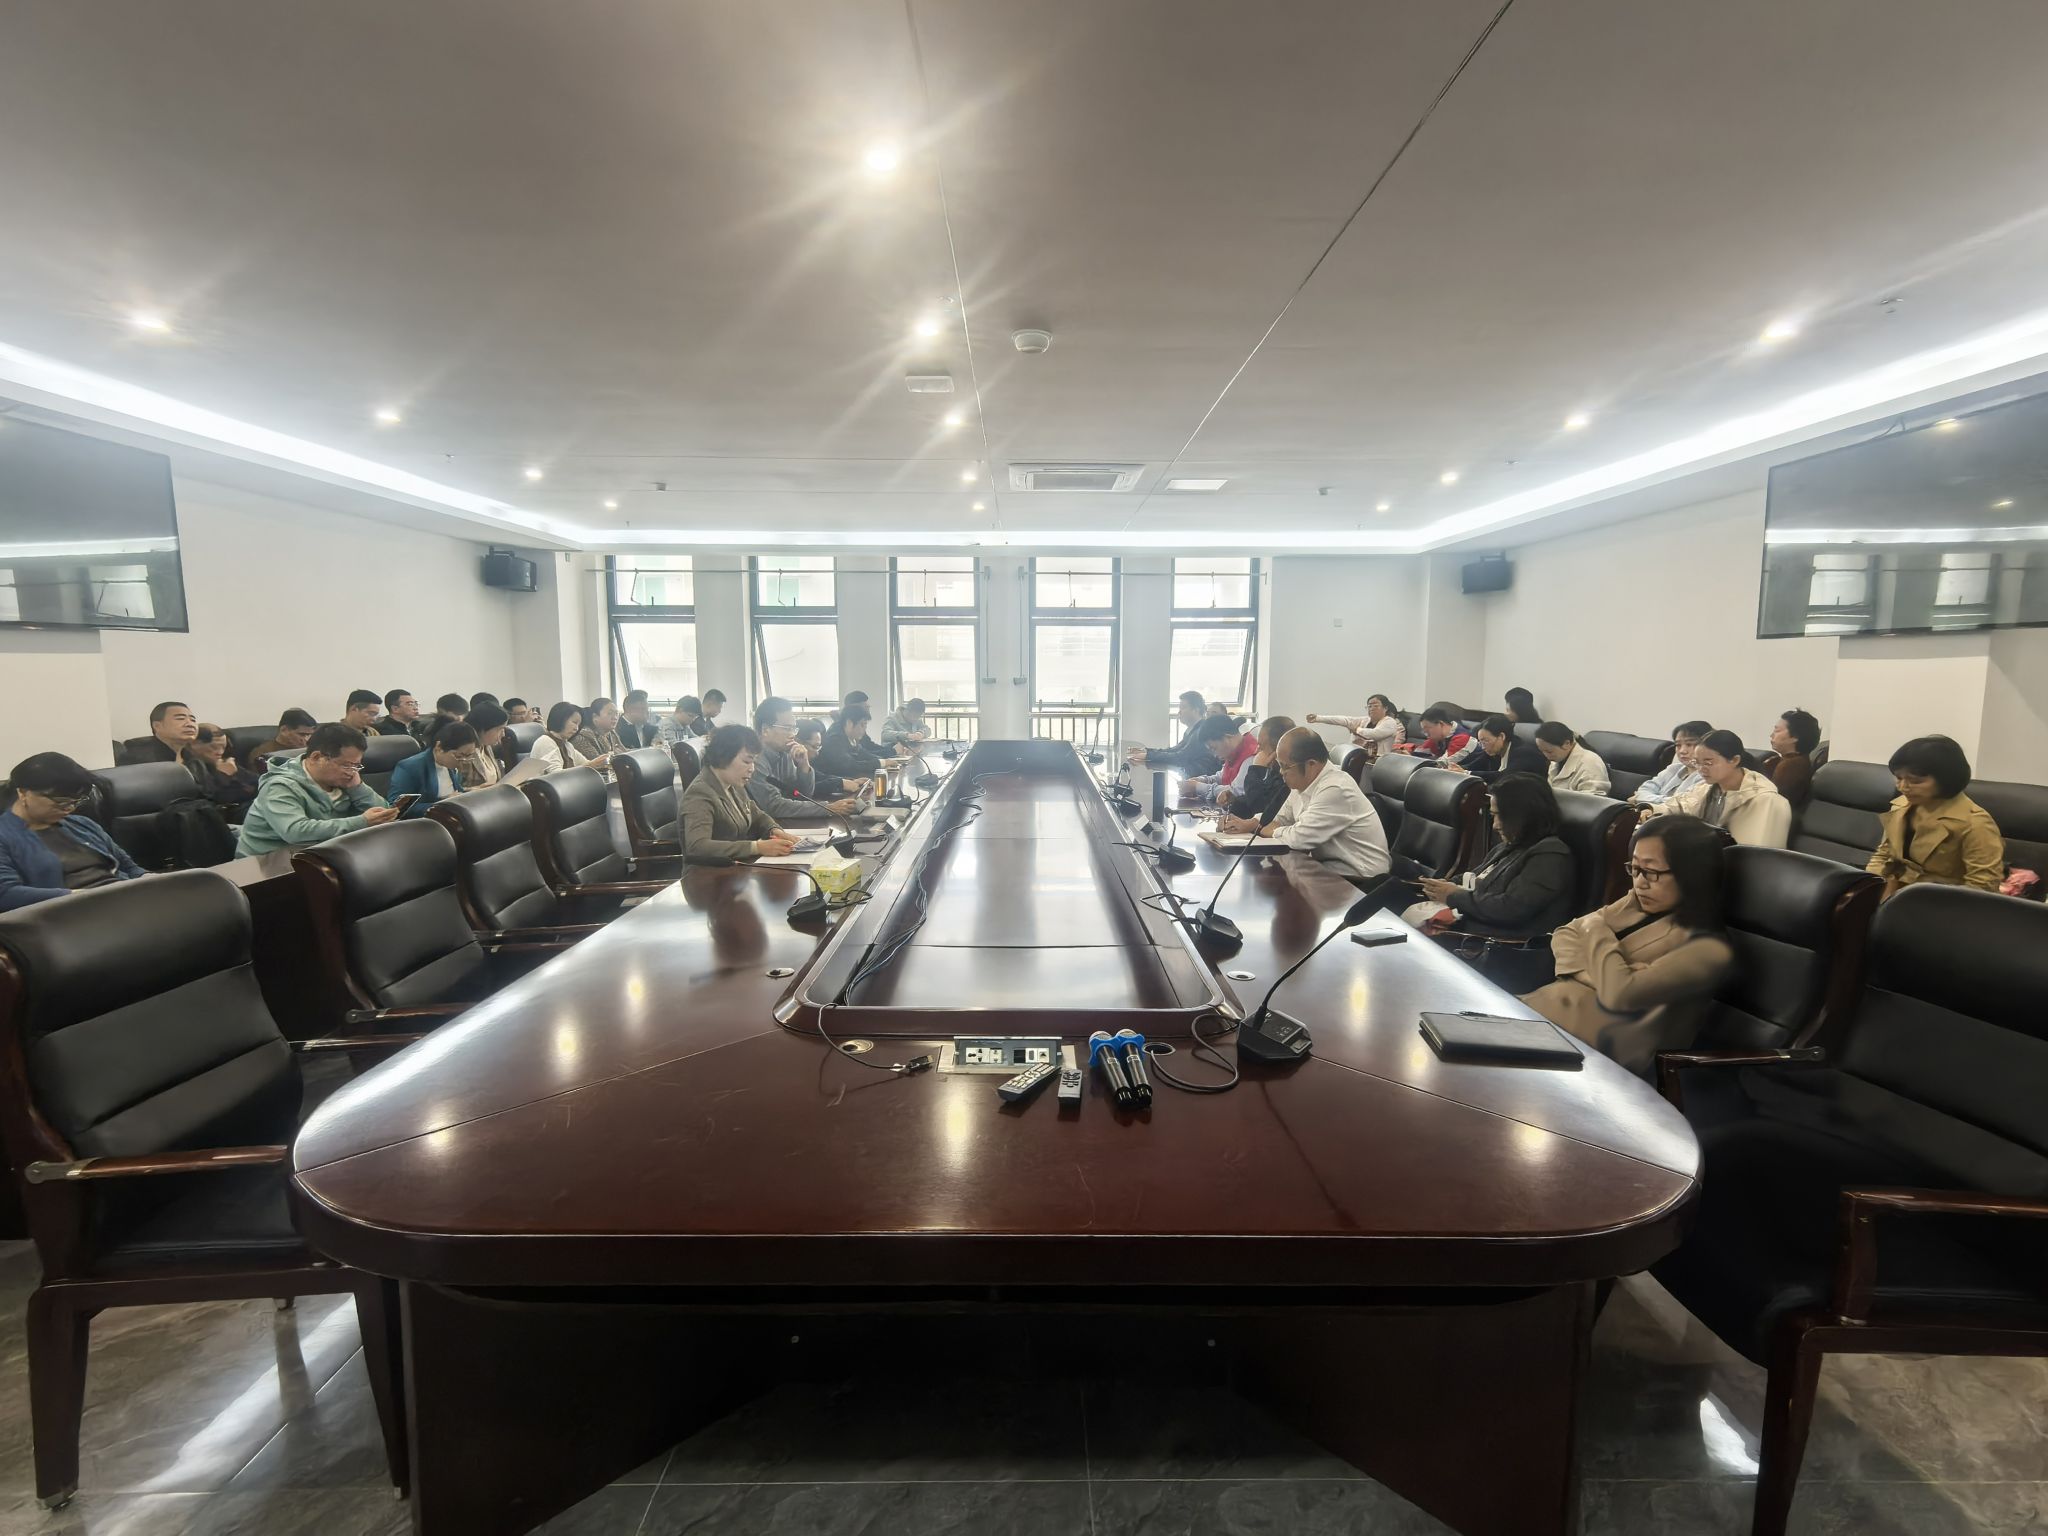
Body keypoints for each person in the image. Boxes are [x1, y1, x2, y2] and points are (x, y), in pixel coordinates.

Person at [1522, 815, 1735, 1075]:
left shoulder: (1709, 949)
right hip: (1547, 1019)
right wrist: (1598, 976)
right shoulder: (1636, 902)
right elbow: (1565, 933)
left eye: (1652, 872)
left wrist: (1594, 928)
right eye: (1634, 869)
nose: (1640, 882)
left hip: (1598, 1057)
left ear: (1693, 874)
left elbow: (1619, 995)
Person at [1405, 773, 1575, 937]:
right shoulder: (1509, 846)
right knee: (1396, 893)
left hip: (1492, 942)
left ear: (1521, 815)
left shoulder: (1550, 855)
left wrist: (1453, 896)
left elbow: (1511, 909)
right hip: (1467, 926)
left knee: (1397, 908)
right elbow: (1475, 878)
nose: (1495, 825)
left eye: (1498, 816)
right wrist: (1443, 886)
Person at [1229, 726, 1389, 883]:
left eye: (1285, 766)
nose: (1281, 772)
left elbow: (1298, 839)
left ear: (1311, 764)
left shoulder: (1335, 788)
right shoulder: (1303, 783)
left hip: (1360, 879)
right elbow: (1281, 818)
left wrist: (1271, 830)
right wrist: (1250, 823)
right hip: (1328, 871)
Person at [1, 753, 146, 908]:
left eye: (76, 801)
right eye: (61, 801)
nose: (70, 808)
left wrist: (150, 880)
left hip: (122, 900)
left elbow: (129, 867)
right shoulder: (5, 835)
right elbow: (6, 894)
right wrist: (81, 896)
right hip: (70, 912)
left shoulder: (82, 824)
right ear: (23, 793)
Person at [1867, 735, 2003, 898]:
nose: (1902, 787)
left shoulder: (1975, 823)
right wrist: (1866, 887)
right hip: (1893, 893)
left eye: (1915, 781)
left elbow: (1982, 887)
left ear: (1946, 779)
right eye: (1899, 778)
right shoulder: (1901, 806)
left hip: (1940, 902)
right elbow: (1884, 854)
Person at [234, 724, 398, 856]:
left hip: (322, 855)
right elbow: (295, 832)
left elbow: (384, 813)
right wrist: (362, 822)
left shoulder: (345, 780)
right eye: (346, 765)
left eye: (356, 765)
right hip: (267, 865)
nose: (351, 772)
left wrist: (358, 788)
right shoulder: (279, 786)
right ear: (316, 757)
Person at [681, 725, 799, 864]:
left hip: (737, 867)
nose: (752, 769)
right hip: (709, 873)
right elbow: (697, 847)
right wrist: (756, 847)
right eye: (747, 761)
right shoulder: (700, 793)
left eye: (753, 762)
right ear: (723, 756)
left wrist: (773, 830)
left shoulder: (733, 783)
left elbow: (756, 815)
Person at [1659, 729, 1790, 847]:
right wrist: (1650, 810)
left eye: (1708, 762)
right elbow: (1678, 806)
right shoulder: (1707, 788)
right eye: (1697, 763)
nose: (1701, 769)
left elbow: (1757, 854)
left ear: (1734, 760)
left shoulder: (1767, 801)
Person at [751, 697, 861, 821]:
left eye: (794, 729)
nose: (792, 735)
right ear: (765, 730)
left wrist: (804, 766)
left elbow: (802, 795)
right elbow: (774, 806)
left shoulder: (784, 754)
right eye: (787, 728)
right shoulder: (753, 759)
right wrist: (827, 808)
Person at [388, 720, 486, 816]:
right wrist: (442, 805)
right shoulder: (411, 767)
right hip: (427, 822)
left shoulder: (451, 766)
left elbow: (455, 793)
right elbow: (397, 809)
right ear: (439, 747)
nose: (463, 761)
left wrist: (472, 792)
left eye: (469, 756)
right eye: (459, 756)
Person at [186, 723, 261, 821]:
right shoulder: (191, 768)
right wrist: (229, 776)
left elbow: (259, 782)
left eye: (223, 747)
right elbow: (217, 798)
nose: (220, 752)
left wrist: (236, 774)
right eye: (213, 747)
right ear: (193, 745)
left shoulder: (224, 762)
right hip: (224, 816)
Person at [1437, 714, 1544, 782]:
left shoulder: (1524, 752)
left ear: (1501, 736)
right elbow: (1474, 766)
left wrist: (1466, 773)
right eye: (1480, 742)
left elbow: (1505, 777)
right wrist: (1454, 769)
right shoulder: (1493, 750)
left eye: (1485, 741)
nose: (1483, 747)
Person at [1179, 716, 1257, 807]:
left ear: (1227, 737)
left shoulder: (1251, 755)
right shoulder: (1235, 750)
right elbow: (1222, 776)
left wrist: (1197, 787)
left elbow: (1235, 792)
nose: (1214, 755)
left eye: (1214, 748)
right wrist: (1203, 780)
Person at [1630, 721, 1712, 807]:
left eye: (1689, 744)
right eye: (1678, 745)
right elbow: (1643, 790)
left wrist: (1643, 799)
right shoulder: (1673, 768)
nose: (1682, 751)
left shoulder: (1707, 776)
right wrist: (1646, 799)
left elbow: (1683, 804)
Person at [1126, 691, 1208, 772]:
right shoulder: (1192, 730)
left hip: (1199, 777)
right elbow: (1173, 750)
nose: (1179, 712)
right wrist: (1147, 751)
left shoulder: (1201, 732)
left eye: (1183, 707)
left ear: (1196, 710)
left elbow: (1180, 758)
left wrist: (1148, 756)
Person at [816, 702, 895, 783]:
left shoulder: (850, 736)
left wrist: (885, 761)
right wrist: (881, 763)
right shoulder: (834, 739)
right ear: (849, 723)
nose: (864, 729)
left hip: (846, 780)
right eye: (862, 724)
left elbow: (864, 754)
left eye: (865, 725)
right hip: (832, 784)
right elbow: (851, 766)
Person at [1306, 695, 1405, 759]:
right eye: (1369, 706)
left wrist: (1357, 730)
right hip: (1356, 758)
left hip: (1378, 762)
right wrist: (1318, 718)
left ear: (1385, 708)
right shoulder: (1365, 720)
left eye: (1375, 706)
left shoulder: (1390, 722)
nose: (1371, 709)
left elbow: (1374, 734)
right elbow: (1344, 720)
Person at [1534, 721, 1611, 796]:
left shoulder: (1590, 762)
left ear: (1566, 743)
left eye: (1549, 751)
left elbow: (1594, 799)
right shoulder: (1557, 760)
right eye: (1542, 751)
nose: (1546, 755)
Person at [530, 702, 608, 775]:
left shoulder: (567, 745)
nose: (576, 728)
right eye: (574, 722)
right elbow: (556, 775)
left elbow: (586, 763)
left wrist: (598, 763)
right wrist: (589, 765)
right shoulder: (545, 742)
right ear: (560, 719)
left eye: (578, 725)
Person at [1767, 708, 1822, 807]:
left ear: (1795, 737)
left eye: (1777, 731)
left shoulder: (1791, 767)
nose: (1771, 735)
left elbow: (1772, 803)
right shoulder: (1795, 761)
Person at [117, 700, 199, 765]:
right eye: (180, 718)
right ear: (157, 726)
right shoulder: (137, 758)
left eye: (193, 720)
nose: (190, 724)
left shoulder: (197, 755)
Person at [1399, 706, 1473, 763]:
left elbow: (1441, 765)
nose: (1426, 734)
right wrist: (1408, 755)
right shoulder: (1438, 738)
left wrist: (1412, 759)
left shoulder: (1462, 738)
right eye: (1424, 731)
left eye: (1427, 729)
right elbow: (1420, 752)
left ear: (1441, 724)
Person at [250, 708, 318, 767]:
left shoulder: (313, 750)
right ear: (284, 730)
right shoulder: (263, 754)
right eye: (302, 734)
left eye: (309, 735)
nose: (307, 739)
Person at [464, 702, 511, 782]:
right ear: (482, 728)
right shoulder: (463, 754)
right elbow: (459, 787)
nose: (503, 734)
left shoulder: (487, 747)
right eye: (499, 729)